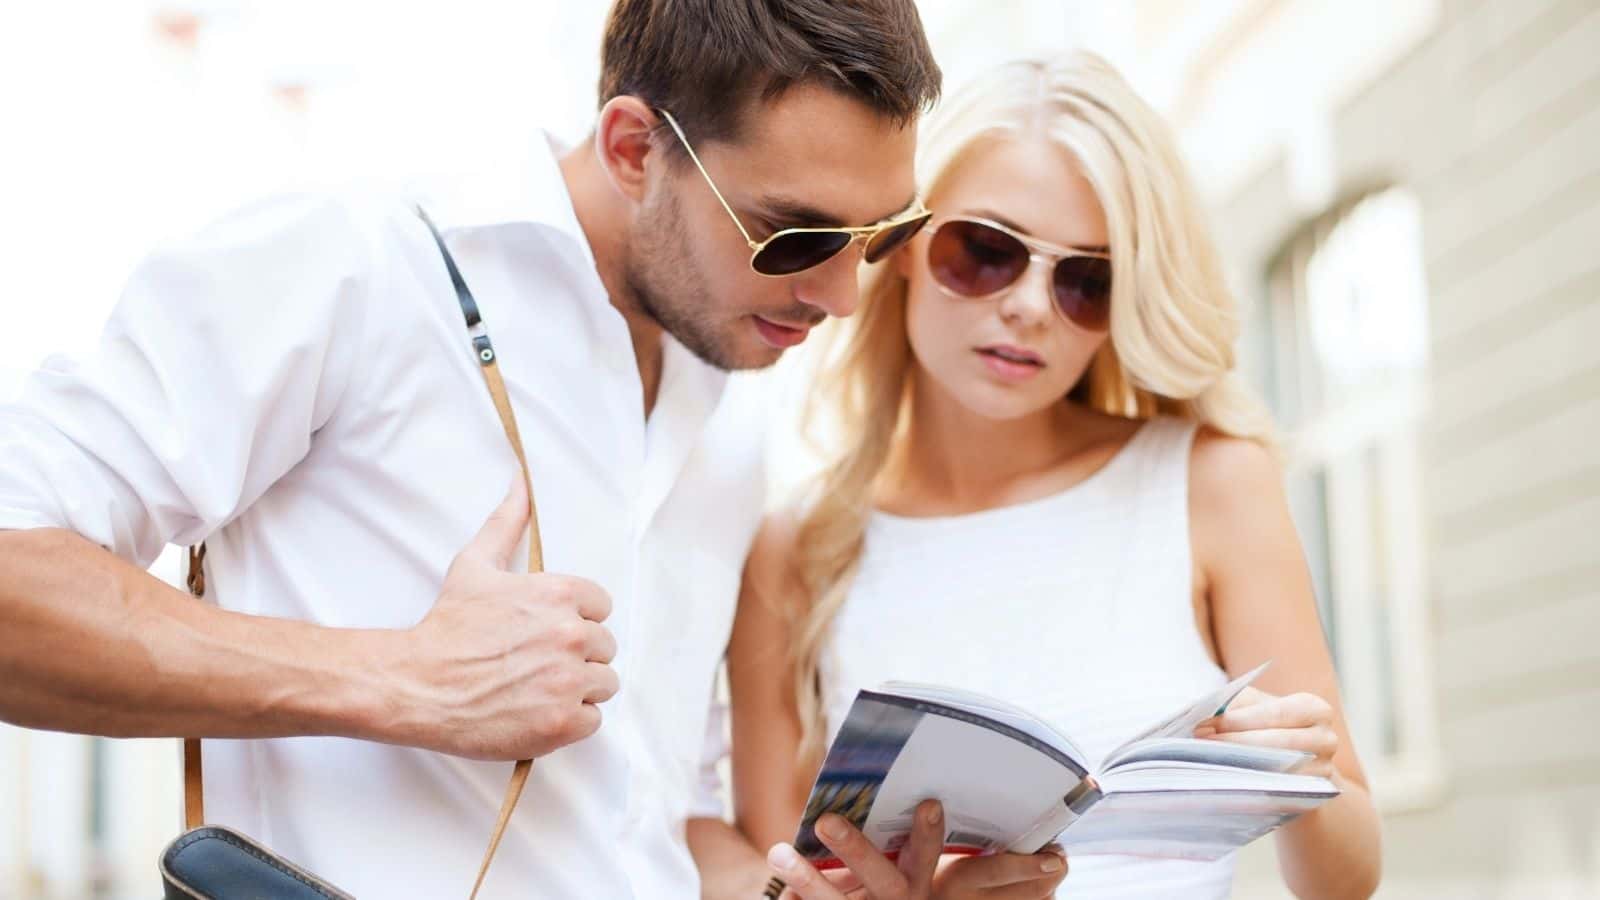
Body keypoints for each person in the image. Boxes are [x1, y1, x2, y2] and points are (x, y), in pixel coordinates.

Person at [0, 2, 944, 897]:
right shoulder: (355, 264)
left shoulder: (735, 393)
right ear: (632, 148)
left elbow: (655, 817)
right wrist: (397, 677)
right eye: (793, 237)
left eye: (878, 237)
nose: (841, 297)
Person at [697, 54, 1382, 899]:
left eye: (1087, 279)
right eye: (985, 252)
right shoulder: (791, 548)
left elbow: (1349, 881)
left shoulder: (1212, 482)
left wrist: (1301, 776)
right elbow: (777, 876)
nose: (1027, 306)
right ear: (903, 244)